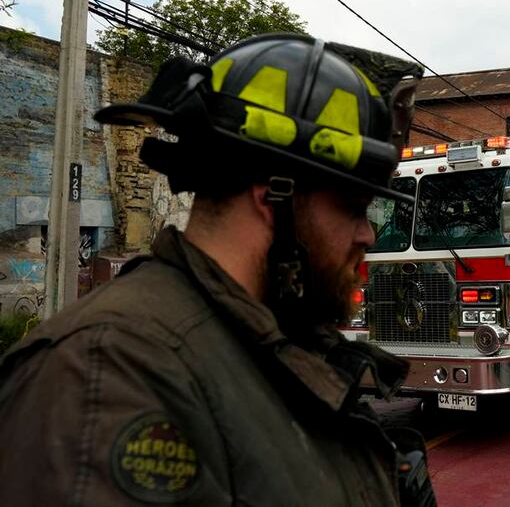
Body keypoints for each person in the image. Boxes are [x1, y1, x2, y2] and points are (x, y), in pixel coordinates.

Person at [0, 34, 436, 505]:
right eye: (353, 207)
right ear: (274, 195)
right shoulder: (106, 376)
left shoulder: (271, 346)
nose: (367, 236)